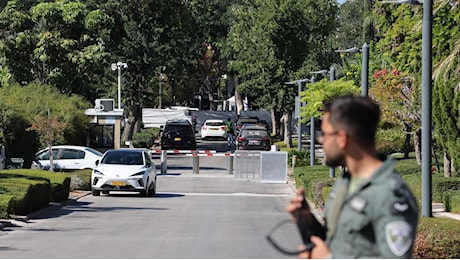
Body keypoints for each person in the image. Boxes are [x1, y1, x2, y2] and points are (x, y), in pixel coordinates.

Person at [287, 95, 419, 258]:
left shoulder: (391, 194)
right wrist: (307, 221)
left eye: (326, 134)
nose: (321, 140)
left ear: (342, 138)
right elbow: (336, 244)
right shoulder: (346, 182)